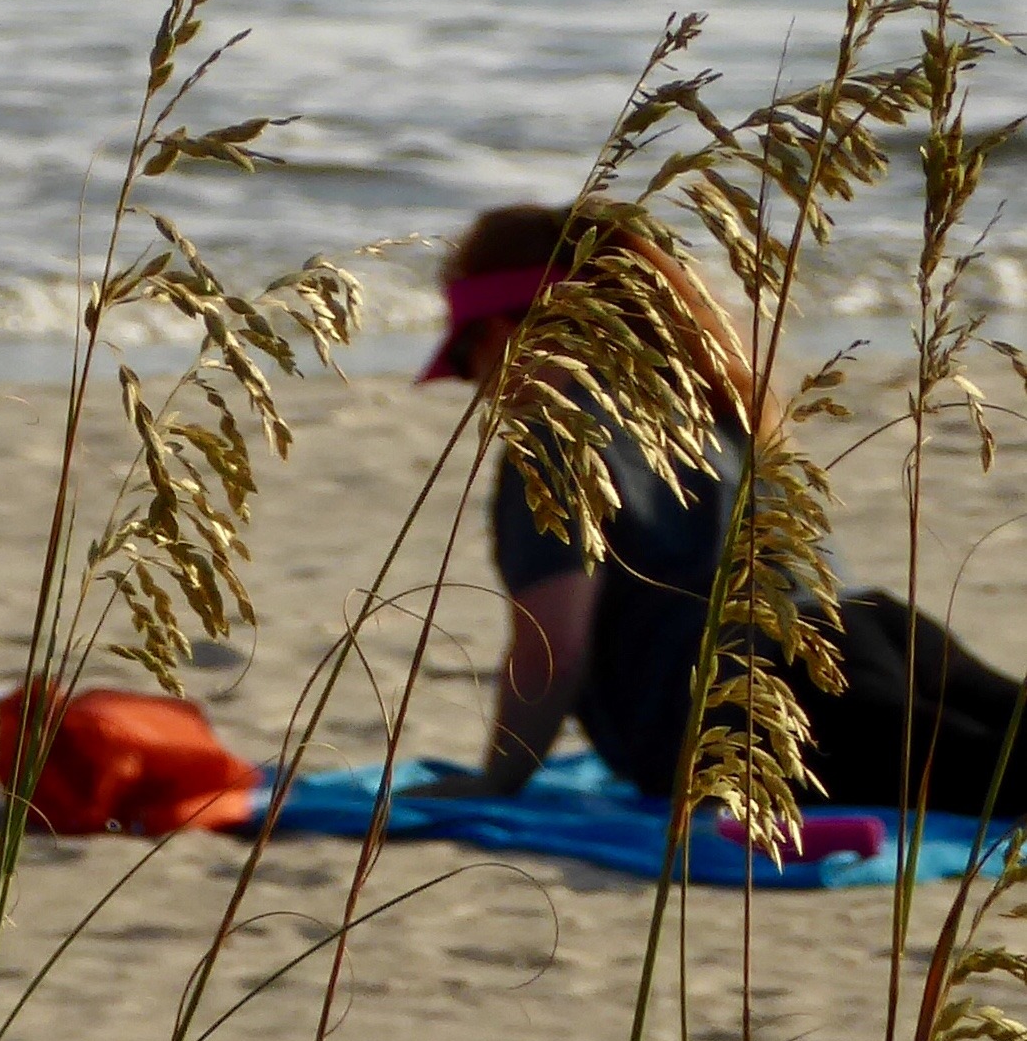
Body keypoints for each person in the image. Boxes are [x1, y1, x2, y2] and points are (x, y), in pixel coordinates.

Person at [413, 202, 1027, 818]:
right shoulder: (716, 399)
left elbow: (554, 645)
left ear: (498, 331)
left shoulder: (551, 439)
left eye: (465, 362)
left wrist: (499, 781)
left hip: (740, 698)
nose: (479, 387)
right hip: (872, 623)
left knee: (997, 787)